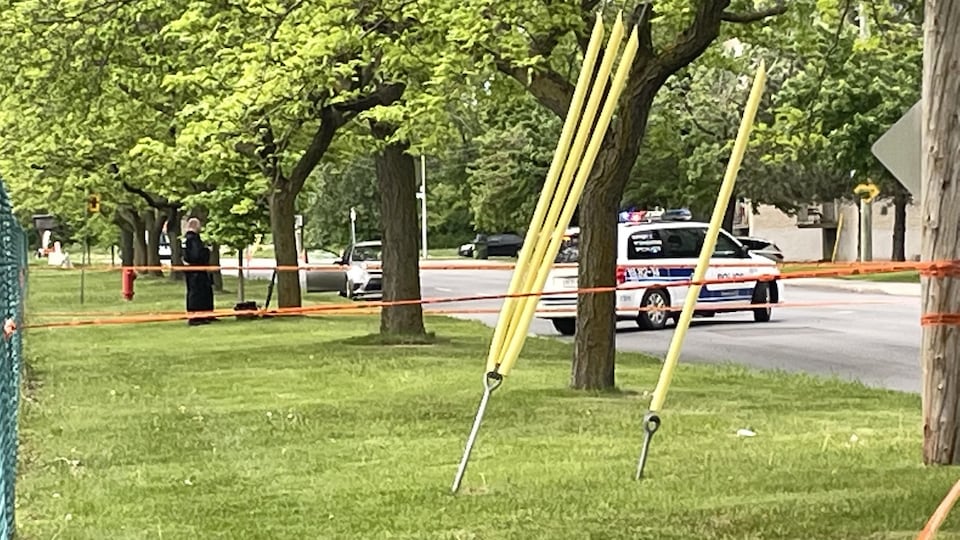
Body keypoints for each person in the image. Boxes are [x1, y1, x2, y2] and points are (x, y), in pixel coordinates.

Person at [183, 218, 215, 325]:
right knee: (196, 293)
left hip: (193, 271)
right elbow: (196, 255)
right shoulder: (193, 239)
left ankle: (204, 315)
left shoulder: (187, 239)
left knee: (202, 292)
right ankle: (196, 317)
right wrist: (206, 251)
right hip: (196, 271)